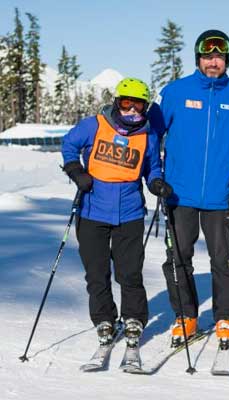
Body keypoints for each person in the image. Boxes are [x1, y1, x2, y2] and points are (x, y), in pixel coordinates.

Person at [156, 29, 229, 346]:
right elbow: (150, 136)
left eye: (219, 57)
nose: (213, 62)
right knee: (177, 258)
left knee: (223, 260)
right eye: (207, 57)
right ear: (198, 59)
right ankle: (186, 316)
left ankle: (225, 318)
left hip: (223, 197)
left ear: (227, 60)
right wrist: (154, 176)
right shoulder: (175, 92)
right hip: (178, 194)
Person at [62, 78, 172, 348]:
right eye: (126, 104)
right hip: (92, 212)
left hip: (130, 214)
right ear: (117, 102)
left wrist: (156, 182)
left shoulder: (148, 134)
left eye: (139, 105)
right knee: (97, 273)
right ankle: (104, 319)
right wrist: (76, 171)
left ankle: (134, 317)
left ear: (145, 108)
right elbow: (68, 144)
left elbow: (151, 167)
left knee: (130, 272)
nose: (132, 111)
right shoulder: (94, 125)